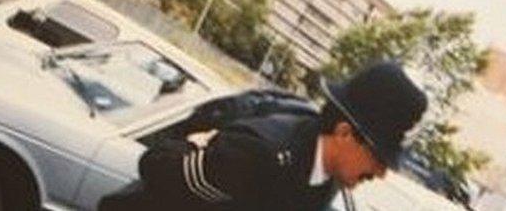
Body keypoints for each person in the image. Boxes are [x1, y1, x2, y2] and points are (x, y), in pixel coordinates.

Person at [99, 61, 427, 210]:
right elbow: (156, 166)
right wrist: (201, 143)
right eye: (379, 156)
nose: (382, 171)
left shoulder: (327, 177)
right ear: (344, 133)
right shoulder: (262, 153)